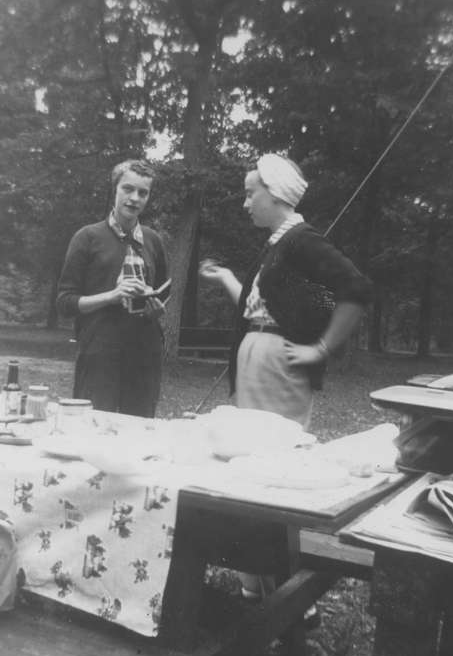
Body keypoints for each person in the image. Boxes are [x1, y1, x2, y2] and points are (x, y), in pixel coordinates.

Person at [200, 153, 372, 603]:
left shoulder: (301, 241)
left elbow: (356, 288)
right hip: (260, 357)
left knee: (270, 473)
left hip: (279, 368)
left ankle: (281, 598)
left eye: (250, 192)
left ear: (275, 194)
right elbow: (264, 311)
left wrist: (323, 347)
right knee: (247, 467)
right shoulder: (279, 243)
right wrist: (228, 280)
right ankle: (256, 587)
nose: (245, 202)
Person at [57, 159, 168, 417]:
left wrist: (156, 309)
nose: (135, 198)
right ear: (114, 190)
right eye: (127, 189)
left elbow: (164, 291)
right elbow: (64, 302)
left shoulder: (153, 241)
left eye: (143, 192)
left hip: (143, 356)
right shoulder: (87, 237)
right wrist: (113, 296)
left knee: (139, 435)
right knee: (93, 429)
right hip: (99, 353)